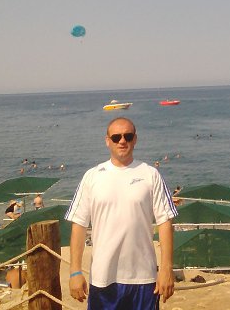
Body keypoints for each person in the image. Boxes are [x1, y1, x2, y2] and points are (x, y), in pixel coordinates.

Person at [66, 116, 177, 309]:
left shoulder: (151, 174)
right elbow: (79, 225)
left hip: (144, 278)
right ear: (107, 141)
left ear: (135, 139)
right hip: (103, 278)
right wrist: (75, 272)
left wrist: (166, 269)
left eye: (128, 136)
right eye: (116, 137)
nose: (122, 141)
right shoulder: (92, 177)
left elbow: (165, 222)